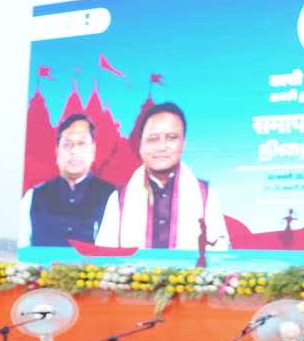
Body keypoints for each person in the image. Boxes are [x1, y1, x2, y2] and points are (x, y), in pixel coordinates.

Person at [95, 102, 228, 250]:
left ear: (183, 143)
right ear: (140, 144)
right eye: (153, 139)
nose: (162, 147)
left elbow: (218, 257)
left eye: (171, 138)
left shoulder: (206, 195)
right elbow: (104, 257)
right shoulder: (119, 198)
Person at [18, 113, 115, 247]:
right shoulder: (33, 196)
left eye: (81, 144)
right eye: (67, 144)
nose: (74, 151)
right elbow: (22, 247)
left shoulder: (112, 196)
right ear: (57, 151)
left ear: (93, 149)